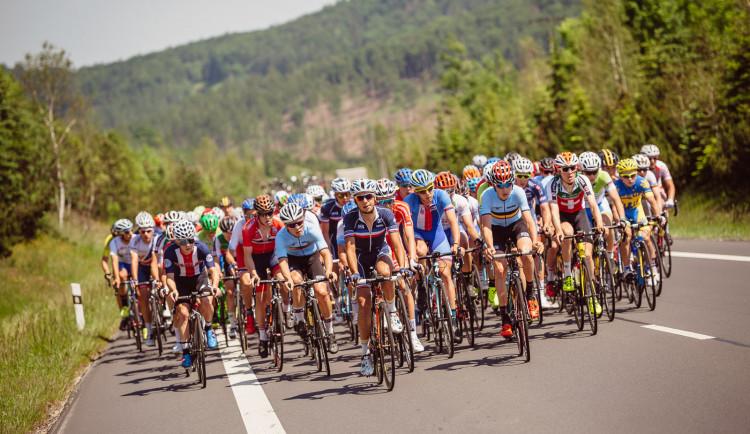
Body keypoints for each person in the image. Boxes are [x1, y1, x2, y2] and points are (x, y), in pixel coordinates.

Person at [344, 179, 409, 376]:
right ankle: (365, 355)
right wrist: (354, 272)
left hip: (381, 252)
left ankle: (391, 312)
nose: (365, 201)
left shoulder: (386, 214)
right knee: (364, 304)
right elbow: (350, 248)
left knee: (385, 273)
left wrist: (403, 268)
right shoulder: (350, 218)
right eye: (360, 198)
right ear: (355, 200)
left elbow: (397, 243)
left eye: (369, 196)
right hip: (361, 259)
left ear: (374, 197)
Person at [480, 161, 544, 337]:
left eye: (508, 183)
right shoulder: (486, 196)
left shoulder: (518, 192)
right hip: (497, 229)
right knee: (500, 269)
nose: (505, 188)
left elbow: (529, 220)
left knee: (526, 253)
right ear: (493, 184)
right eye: (500, 185)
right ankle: (505, 319)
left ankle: (530, 294)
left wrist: (536, 240)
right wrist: (490, 247)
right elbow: (486, 226)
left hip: (517, 225)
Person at [402, 169, 463, 344]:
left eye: (429, 188)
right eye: (421, 191)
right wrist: (410, 254)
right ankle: (421, 282)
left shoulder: (441, 195)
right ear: (415, 191)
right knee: (420, 251)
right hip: (417, 234)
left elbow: (453, 221)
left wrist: (456, 244)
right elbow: (406, 231)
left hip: (436, 234)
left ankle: (453, 319)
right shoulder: (409, 201)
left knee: (445, 274)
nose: (427, 194)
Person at [275, 202, 339, 353]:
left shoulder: (312, 228)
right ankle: (300, 320)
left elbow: (325, 252)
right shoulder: (281, 236)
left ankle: (330, 333)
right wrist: (288, 279)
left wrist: (329, 271)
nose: (297, 227)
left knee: (322, 292)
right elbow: (283, 261)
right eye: (292, 225)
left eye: (299, 222)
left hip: (312, 258)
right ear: (285, 225)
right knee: (296, 282)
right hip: (293, 261)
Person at [546, 152, 605, 316]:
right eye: (565, 169)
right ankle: (566, 273)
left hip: (579, 214)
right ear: (558, 170)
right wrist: (557, 230)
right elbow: (553, 210)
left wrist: (599, 223)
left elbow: (592, 204)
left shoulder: (582, 179)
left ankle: (591, 293)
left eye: (572, 168)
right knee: (567, 233)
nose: (570, 172)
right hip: (563, 216)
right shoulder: (553, 185)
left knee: (587, 255)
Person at [374, 178, 423, 353]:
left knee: (404, 284)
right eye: (382, 202)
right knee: (383, 279)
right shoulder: (372, 212)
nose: (387, 205)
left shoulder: (402, 207)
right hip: (381, 248)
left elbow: (408, 235)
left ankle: (413, 334)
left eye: (390, 200)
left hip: (397, 246)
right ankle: (385, 313)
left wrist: (411, 259)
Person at [164, 220, 221, 368]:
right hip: (180, 281)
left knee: (206, 302)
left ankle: (208, 328)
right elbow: (169, 278)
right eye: (183, 241)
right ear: (177, 241)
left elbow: (213, 270)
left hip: (199, 277)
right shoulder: (170, 251)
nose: (188, 244)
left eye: (190, 240)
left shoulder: (201, 247)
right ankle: (185, 352)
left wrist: (214, 286)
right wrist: (174, 290)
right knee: (183, 313)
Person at [242, 195, 287, 358]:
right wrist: (253, 273)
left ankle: (286, 308)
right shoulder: (248, 228)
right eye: (263, 214)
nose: (268, 217)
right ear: (257, 215)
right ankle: (262, 338)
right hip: (257, 259)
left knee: (283, 278)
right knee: (260, 297)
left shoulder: (278, 224)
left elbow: (285, 251)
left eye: (270, 213)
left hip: (274, 255)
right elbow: (247, 256)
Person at [614, 158, 663, 285]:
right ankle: (626, 268)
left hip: (637, 210)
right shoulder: (616, 186)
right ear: (620, 176)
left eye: (633, 175)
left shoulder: (642, 182)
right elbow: (615, 207)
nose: (630, 179)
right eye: (626, 176)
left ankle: (652, 267)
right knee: (626, 237)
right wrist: (620, 221)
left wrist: (658, 215)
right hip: (623, 212)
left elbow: (651, 200)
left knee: (645, 236)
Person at [129, 211, 162, 346]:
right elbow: (134, 260)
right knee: (143, 296)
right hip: (142, 268)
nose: (146, 234)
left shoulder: (158, 238)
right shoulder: (135, 240)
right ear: (139, 231)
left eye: (148, 231)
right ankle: (149, 330)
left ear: (153, 229)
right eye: (142, 232)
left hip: (157, 266)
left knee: (161, 283)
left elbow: (162, 259)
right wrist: (135, 279)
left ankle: (164, 310)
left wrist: (159, 278)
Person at [641, 144, 676, 210]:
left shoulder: (661, 166)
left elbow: (670, 185)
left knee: (662, 204)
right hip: (644, 191)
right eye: (649, 159)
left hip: (658, 190)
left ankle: (664, 219)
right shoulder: (641, 168)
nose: (652, 161)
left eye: (655, 158)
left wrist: (670, 199)